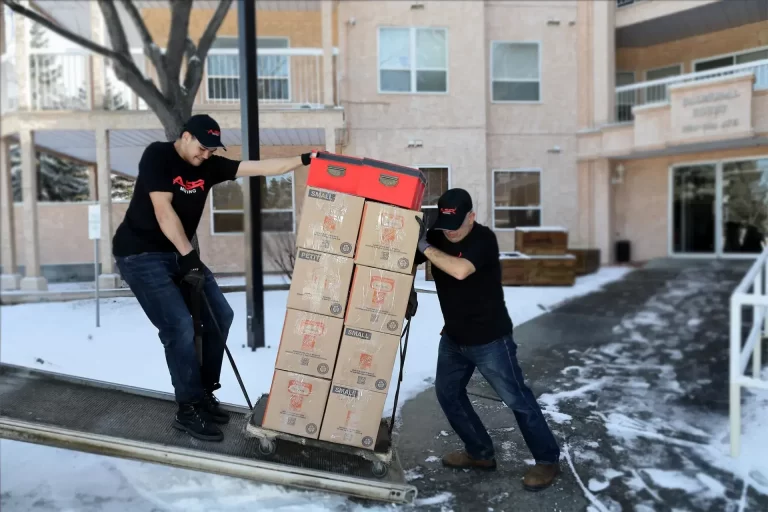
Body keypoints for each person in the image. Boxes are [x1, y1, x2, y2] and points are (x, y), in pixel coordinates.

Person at [112, 114, 314, 442]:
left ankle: (204, 393)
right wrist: (189, 257)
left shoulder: (208, 166)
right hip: (140, 255)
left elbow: (262, 167)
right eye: (202, 148)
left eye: (211, 150)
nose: (206, 155)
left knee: (220, 315)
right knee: (179, 325)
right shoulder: (158, 155)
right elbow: (163, 211)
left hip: (178, 253)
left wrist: (305, 159)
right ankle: (188, 407)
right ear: (186, 136)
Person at [413, 188, 561, 492]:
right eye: (445, 225)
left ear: (471, 217)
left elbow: (459, 270)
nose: (450, 233)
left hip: (490, 340)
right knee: (448, 393)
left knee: (517, 400)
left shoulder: (483, 239)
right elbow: (401, 260)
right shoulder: (438, 236)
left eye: (456, 226)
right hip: (453, 338)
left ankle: (547, 460)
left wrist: (424, 245)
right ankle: (479, 453)